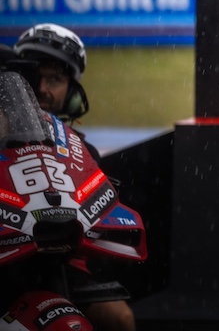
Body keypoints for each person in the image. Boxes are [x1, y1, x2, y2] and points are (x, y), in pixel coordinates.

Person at [14, 23, 137, 331]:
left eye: (55, 79)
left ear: (71, 89)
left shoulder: (84, 150)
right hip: (9, 260)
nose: (42, 88)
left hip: (65, 264)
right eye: (33, 77)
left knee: (120, 319)